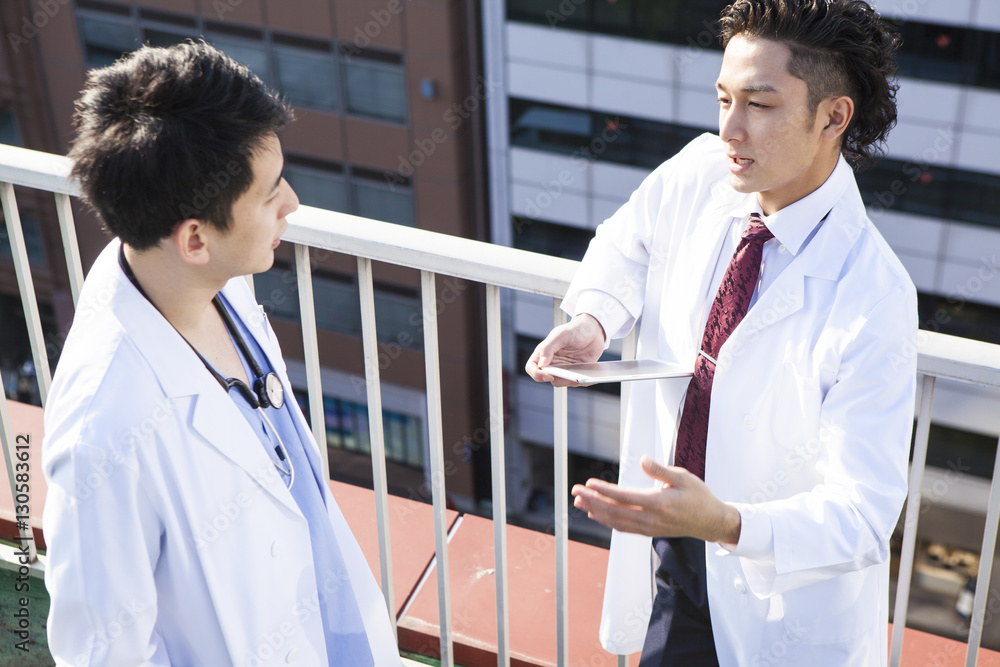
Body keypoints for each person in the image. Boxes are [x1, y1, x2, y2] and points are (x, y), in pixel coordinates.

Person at [526, 1, 916, 665]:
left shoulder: (874, 294)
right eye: (723, 98)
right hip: (677, 557)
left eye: (759, 105)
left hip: (779, 597)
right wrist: (593, 319)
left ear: (833, 117)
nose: (730, 130)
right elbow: (625, 243)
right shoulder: (703, 171)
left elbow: (862, 513)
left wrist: (728, 523)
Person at [41, 42, 400, 666]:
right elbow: (101, 653)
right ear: (196, 238)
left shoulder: (213, 283)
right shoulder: (105, 428)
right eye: (269, 195)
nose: (292, 203)